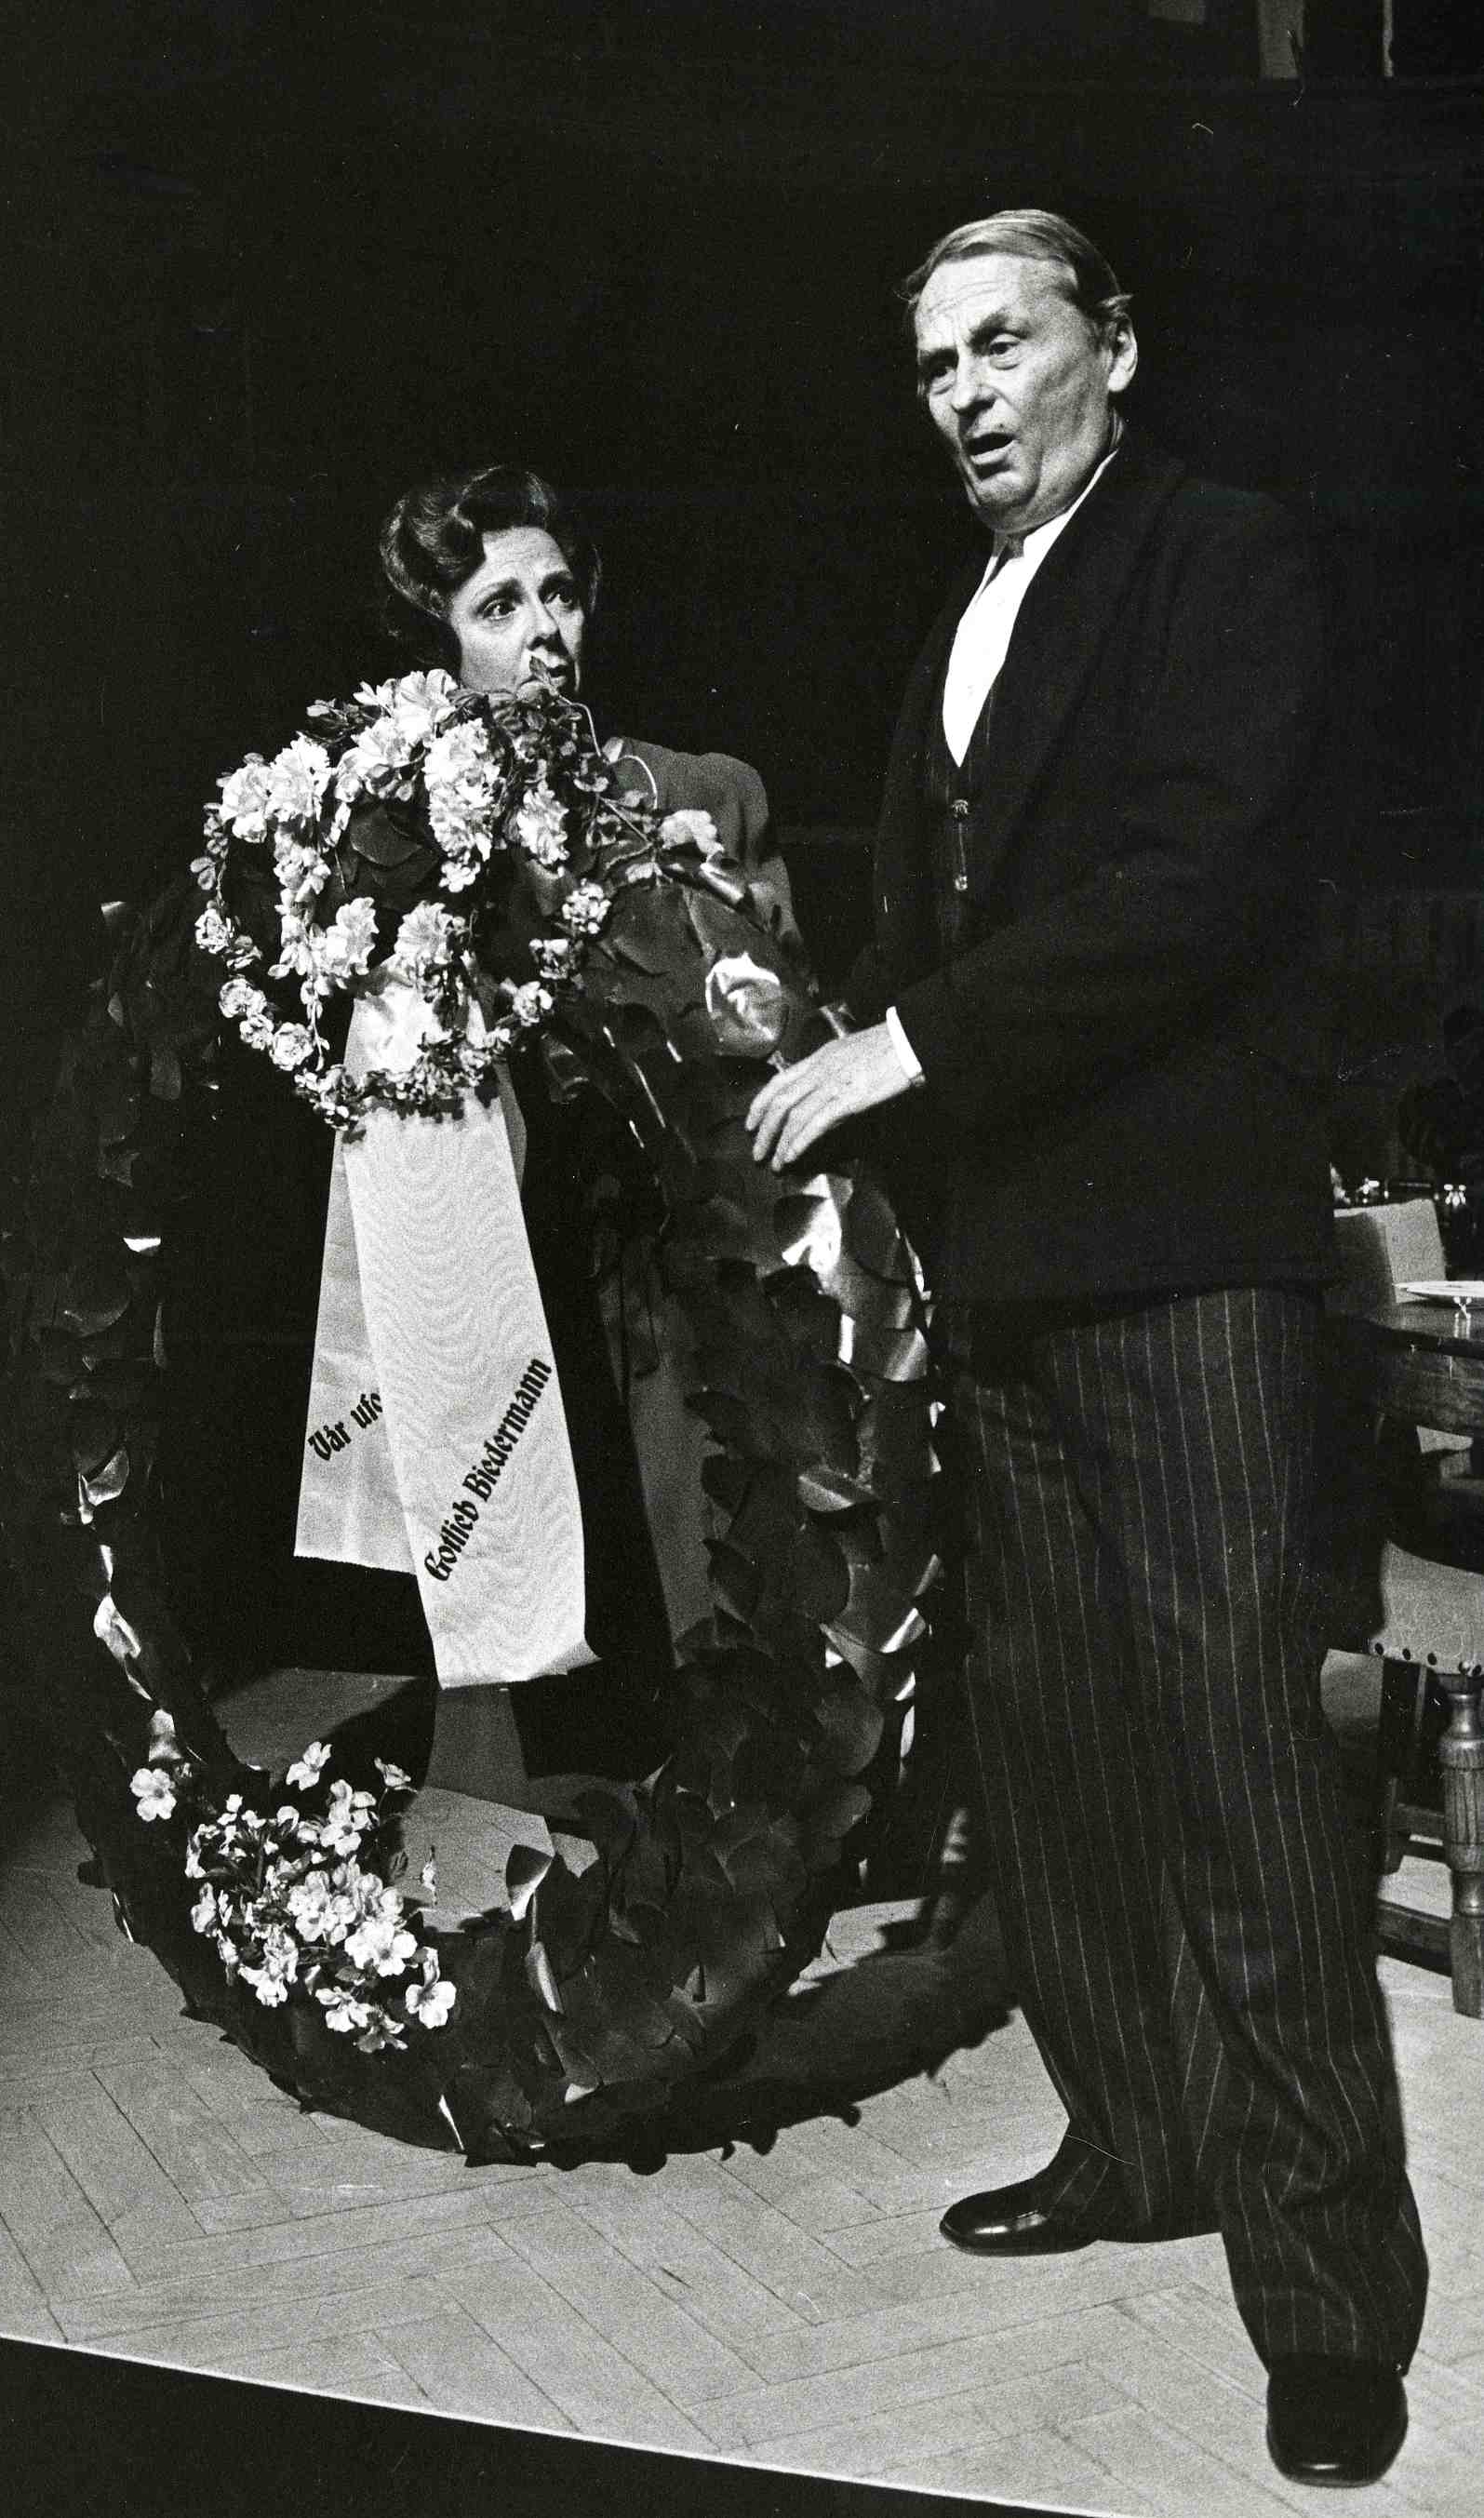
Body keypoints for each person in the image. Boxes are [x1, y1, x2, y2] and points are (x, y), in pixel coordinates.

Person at [747, 211, 1425, 2488]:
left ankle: (1327, 2302)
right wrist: (805, 1031)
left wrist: (908, 1047)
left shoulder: (1215, 555)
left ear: (1112, 351)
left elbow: (1192, 887)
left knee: (1236, 1765)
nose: (962, 392)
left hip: (1188, 1274)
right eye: (931, 362)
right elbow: (924, 934)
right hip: (1014, 1277)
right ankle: (1141, 2145)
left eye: (1003, 342)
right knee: (1058, 1760)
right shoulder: (962, 618)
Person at [374, 463, 794, 1798]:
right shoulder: (405, 841)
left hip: (678, 1256)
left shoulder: (699, 792)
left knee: (710, 1567)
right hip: (513, 1252)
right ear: (443, 646)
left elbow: (784, 1027)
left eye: (558, 595)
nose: (544, 631)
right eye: (498, 606)